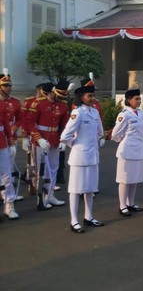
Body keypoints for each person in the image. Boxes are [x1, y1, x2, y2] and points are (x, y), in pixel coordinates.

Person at [59, 78, 104, 233]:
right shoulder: (77, 113)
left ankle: (89, 216)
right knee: (75, 189)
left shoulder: (95, 111)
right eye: (89, 96)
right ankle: (74, 220)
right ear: (81, 97)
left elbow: (99, 132)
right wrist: (76, 145)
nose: (92, 98)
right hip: (79, 157)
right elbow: (65, 136)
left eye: (93, 95)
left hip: (92, 156)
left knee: (90, 188)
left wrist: (100, 139)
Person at [25, 80, 71, 210]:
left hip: (55, 139)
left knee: (54, 169)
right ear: (53, 91)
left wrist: (63, 140)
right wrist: (38, 139)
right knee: (41, 170)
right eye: (59, 95)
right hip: (41, 140)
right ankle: (41, 197)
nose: (61, 98)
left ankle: (50, 195)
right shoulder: (38, 103)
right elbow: (29, 123)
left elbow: (65, 125)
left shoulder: (63, 104)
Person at [111, 88, 143, 217]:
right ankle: (122, 205)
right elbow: (115, 134)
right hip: (127, 150)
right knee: (124, 179)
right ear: (128, 100)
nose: (139, 101)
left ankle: (131, 203)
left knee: (134, 178)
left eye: (139, 98)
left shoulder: (141, 113)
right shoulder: (124, 114)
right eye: (136, 99)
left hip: (139, 149)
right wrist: (121, 140)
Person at [0, 69, 22, 218]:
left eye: (10, 85)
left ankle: (9, 204)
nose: (9, 87)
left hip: (2, 141)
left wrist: (11, 142)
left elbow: (7, 125)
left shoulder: (9, 103)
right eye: (5, 85)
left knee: (6, 174)